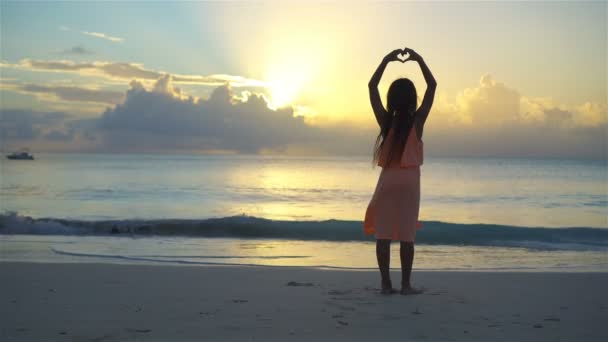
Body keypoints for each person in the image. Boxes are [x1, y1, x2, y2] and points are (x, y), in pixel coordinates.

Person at [363, 47, 436, 295]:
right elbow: (432, 86)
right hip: (410, 184)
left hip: (388, 182)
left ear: (391, 99)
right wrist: (419, 60)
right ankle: (405, 285)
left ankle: (386, 284)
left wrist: (386, 60)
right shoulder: (418, 122)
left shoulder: (386, 122)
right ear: (412, 98)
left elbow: (372, 88)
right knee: (407, 235)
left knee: (383, 235)